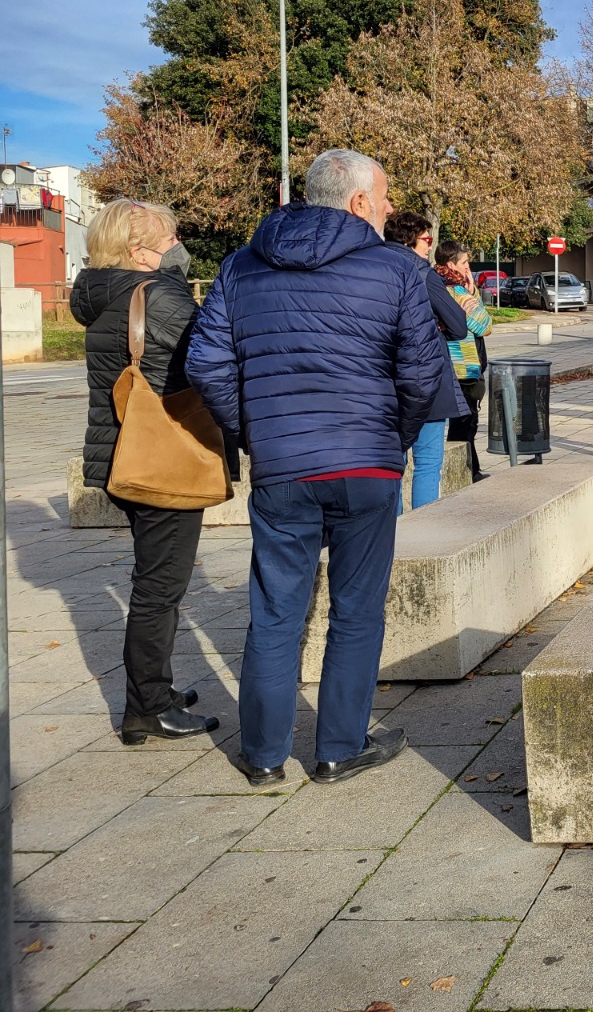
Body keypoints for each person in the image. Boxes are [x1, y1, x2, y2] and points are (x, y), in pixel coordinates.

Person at [187, 148, 442, 788]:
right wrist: (396, 440)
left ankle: (265, 758)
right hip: (367, 465)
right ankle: (338, 749)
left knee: (275, 612)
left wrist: (254, 434)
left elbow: (205, 363)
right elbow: (422, 372)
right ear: (358, 202)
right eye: (383, 199)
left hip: (282, 467)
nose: (388, 209)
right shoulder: (396, 269)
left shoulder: (241, 265)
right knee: (357, 611)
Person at [71, 199, 221, 746]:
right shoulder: (157, 294)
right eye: (169, 238)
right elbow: (211, 344)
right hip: (164, 459)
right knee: (160, 589)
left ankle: (155, 689)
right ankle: (147, 707)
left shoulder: (100, 293)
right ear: (138, 252)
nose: (177, 244)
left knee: (151, 581)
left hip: (121, 454)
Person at [383, 212, 470, 510]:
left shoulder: (371, 266)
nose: (429, 246)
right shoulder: (422, 273)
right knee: (428, 463)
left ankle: (389, 534)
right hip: (426, 379)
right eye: (427, 239)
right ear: (410, 239)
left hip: (383, 382)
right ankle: (422, 533)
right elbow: (459, 325)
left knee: (392, 466)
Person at [435, 239, 493, 481]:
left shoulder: (435, 284)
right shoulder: (456, 290)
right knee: (465, 422)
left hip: (446, 364)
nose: (469, 267)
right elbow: (484, 325)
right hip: (463, 367)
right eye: (465, 262)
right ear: (452, 264)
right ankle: (466, 473)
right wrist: (472, 294)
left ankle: (472, 468)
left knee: (460, 422)